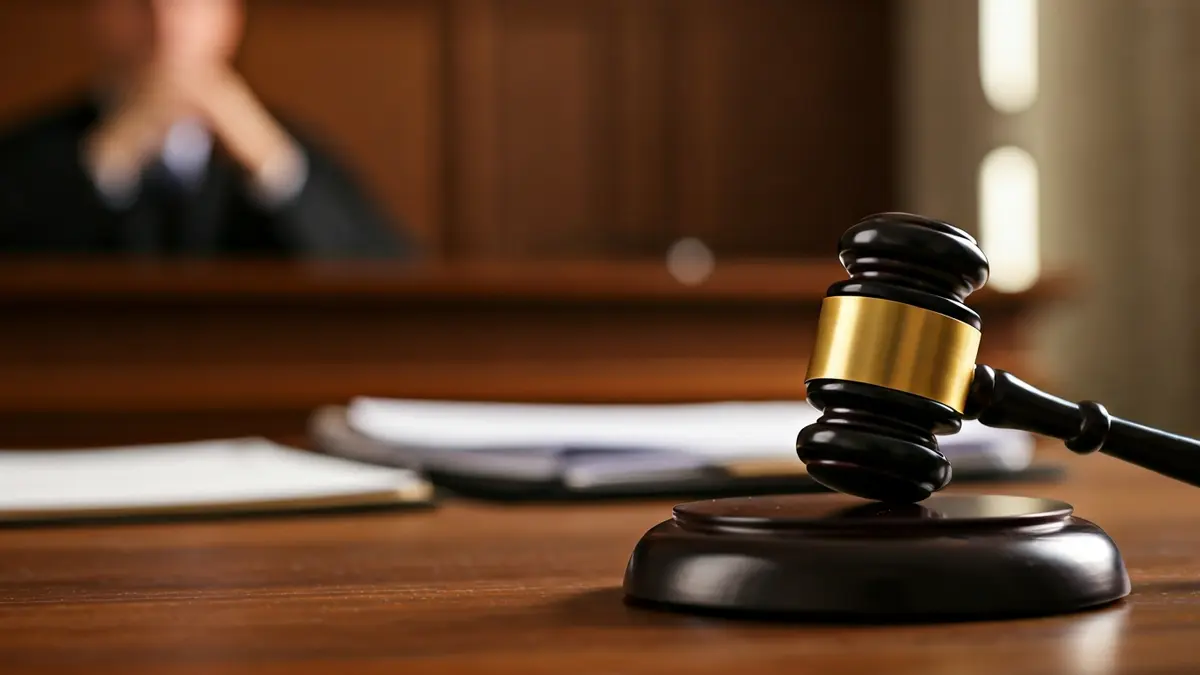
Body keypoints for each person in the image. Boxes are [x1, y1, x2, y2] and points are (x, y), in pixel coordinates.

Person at [0, 0, 411, 258]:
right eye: (140, 4)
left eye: (186, 3)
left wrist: (272, 168)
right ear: (97, 14)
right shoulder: (24, 156)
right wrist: (102, 163)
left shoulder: (291, 153)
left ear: (230, 16)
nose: (164, 27)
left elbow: (384, 278)